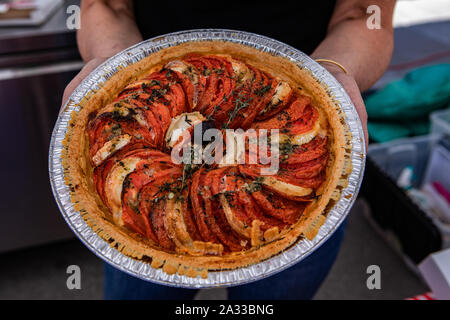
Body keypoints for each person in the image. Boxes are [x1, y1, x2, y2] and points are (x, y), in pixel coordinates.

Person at [62, 0, 395, 299]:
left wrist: (330, 76)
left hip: (294, 109)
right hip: (156, 95)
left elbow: (363, 13)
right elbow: (106, 5)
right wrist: (116, 64)